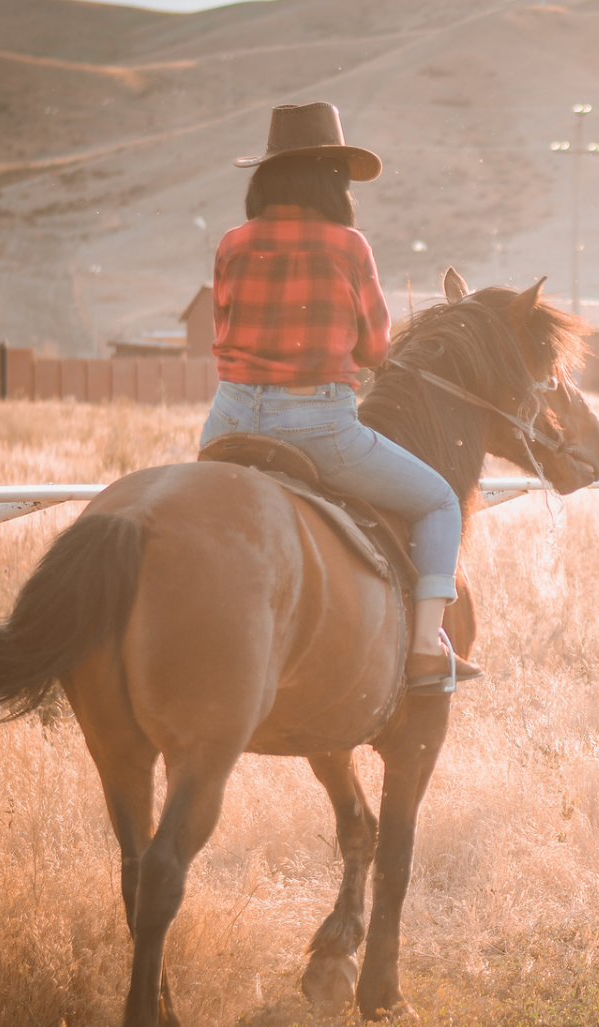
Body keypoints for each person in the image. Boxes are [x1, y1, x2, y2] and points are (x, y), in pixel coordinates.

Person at [201, 101, 479, 693]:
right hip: (316, 426)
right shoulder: (348, 247)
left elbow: (222, 330)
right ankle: (428, 649)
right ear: (333, 179)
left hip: (227, 421)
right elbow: (377, 350)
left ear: (267, 177)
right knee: (437, 504)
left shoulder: (231, 243)